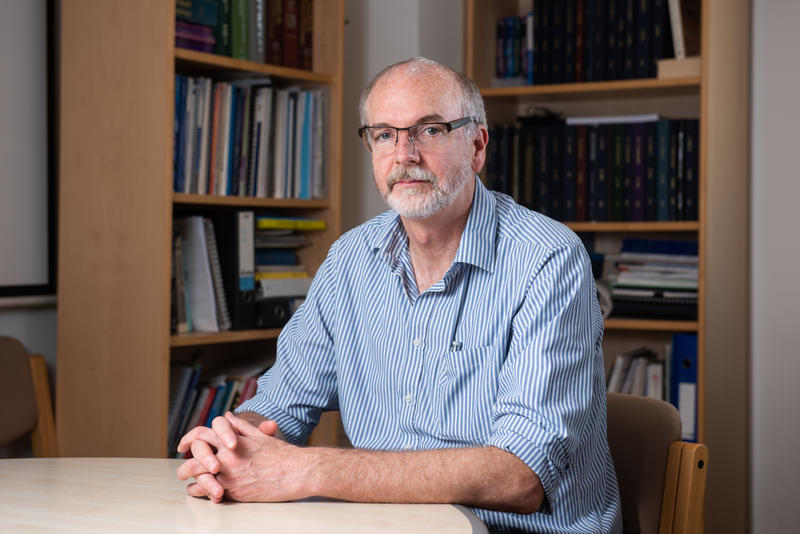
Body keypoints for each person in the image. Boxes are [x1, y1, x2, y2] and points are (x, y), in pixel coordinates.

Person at [177, 57, 622, 533]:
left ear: (477, 145)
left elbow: (520, 477)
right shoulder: (352, 258)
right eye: (384, 134)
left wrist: (305, 469)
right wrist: (230, 445)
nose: (404, 153)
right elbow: (282, 403)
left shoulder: (548, 260)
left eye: (430, 130)